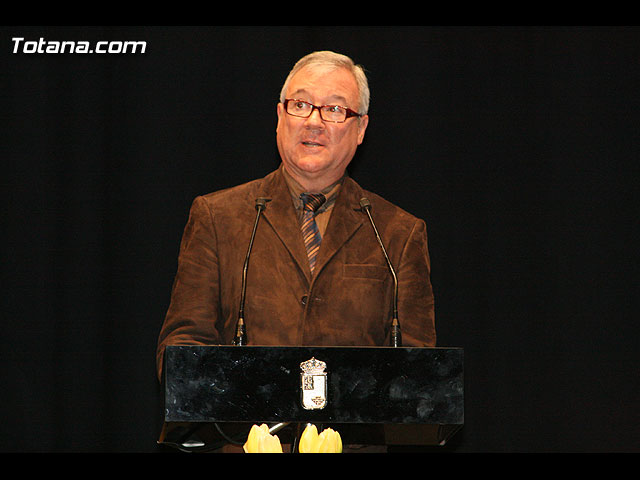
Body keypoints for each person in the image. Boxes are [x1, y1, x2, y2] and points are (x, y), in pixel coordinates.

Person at [156, 50, 436, 381]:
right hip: (246, 416)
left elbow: (420, 374)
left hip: (354, 417)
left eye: (334, 109)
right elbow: (183, 349)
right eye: (300, 105)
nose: (313, 122)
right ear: (280, 116)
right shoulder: (218, 217)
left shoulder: (397, 233)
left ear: (361, 128)